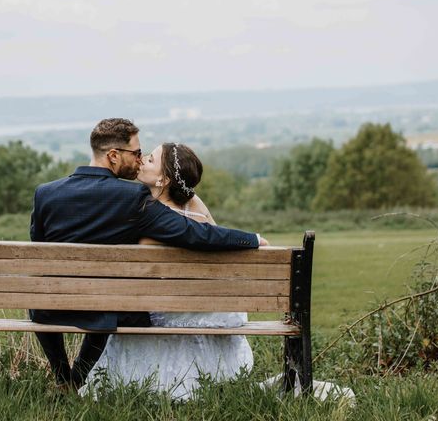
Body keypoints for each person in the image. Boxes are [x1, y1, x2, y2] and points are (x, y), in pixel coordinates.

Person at [29, 118, 266, 390]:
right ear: (114, 156)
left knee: (72, 300)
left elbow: (39, 249)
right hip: (105, 308)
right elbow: (194, 233)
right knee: (110, 303)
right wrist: (252, 239)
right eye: (136, 153)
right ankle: (76, 379)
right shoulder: (131, 198)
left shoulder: (45, 193)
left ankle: (64, 378)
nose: (140, 160)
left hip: (50, 305)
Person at [78, 143, 256, 400]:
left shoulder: (144, 215)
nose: (142, 161)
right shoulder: (194, 206)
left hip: (155, 307)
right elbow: (213, 237)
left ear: (163, 178)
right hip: (200, 306)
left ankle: (74, 379)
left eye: (150, 160)